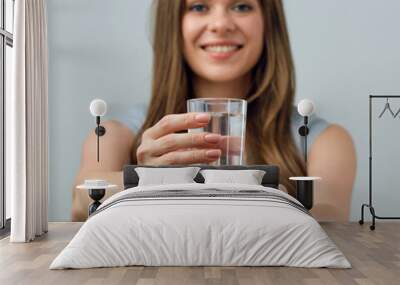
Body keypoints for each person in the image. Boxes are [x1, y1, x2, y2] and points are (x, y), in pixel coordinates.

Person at [72, 0, 356, 222]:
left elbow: (330, 218)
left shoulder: (326, 140)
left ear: (269, 23)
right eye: (198, 7)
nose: (220, 24)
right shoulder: (114, 134)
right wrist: (147, 178)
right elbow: (80, 204)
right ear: (173, 24)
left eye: (242, 6)